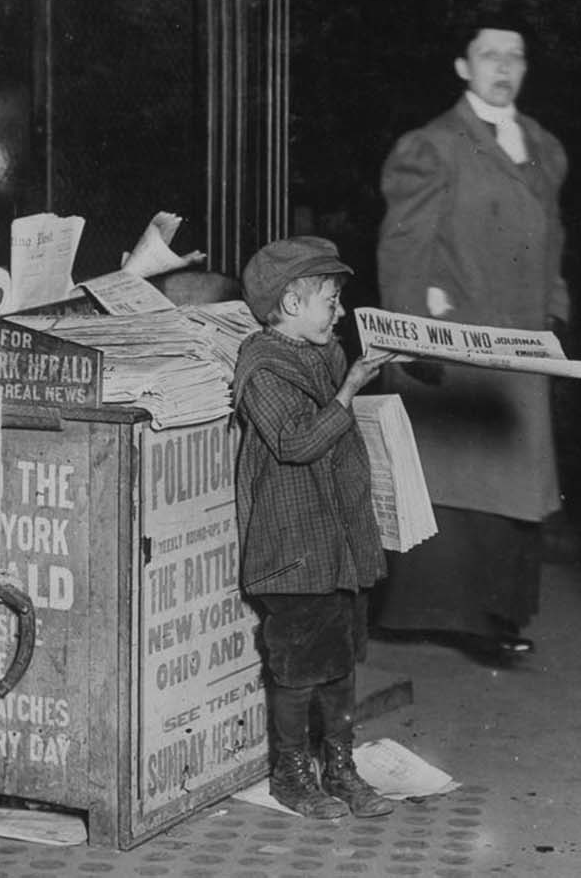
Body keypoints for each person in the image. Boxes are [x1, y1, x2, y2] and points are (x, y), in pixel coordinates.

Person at [373, 11, 569, 663]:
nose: (505, 68)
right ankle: (457, 619)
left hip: (522, 342)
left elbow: (552, 241)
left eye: (515, 55)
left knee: (509, 485)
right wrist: (412, 334)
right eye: (490, 55)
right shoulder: (432, 145)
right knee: (461, 483)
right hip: (454, 340)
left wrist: (557, 310)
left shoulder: (539, 142)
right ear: (463, 66)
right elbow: (404, 245)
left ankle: (495, 615)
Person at [231, 236, 398, 820]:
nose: (341, 311)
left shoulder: (321, 350)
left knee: (341, 660)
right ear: (292, 302)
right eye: (331, 300)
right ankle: (292, 774)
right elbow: (296, 442)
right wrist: (350, 391)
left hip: (338, 546)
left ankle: (341, 767)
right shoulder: (263, 365)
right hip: (294, 549)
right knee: (300, 667)